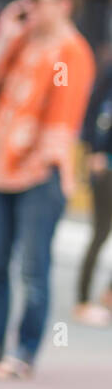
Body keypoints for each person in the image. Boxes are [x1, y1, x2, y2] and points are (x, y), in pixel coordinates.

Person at [0, 0, 97, 379]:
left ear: (64, 4)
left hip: (40, 174)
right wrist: (6, 35)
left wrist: (36, 158)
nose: (25, 6)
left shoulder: (68, 53)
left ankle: (24, 352)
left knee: (33, 269)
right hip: (3, 168)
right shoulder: (24, 39)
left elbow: (63, 113)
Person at [73, 52, 112, 326]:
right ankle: (83, 300)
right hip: (106, 163)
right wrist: (94, 150)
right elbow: (95, 106)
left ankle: (108, 294)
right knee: (100, 231)